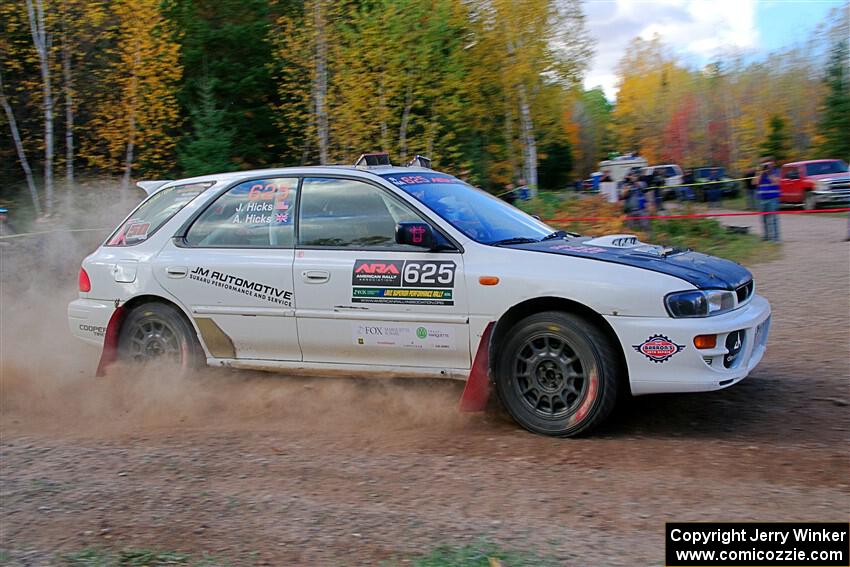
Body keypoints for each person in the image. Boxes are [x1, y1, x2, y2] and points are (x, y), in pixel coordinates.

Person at [756, 157, 781, 241]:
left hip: (773, 197)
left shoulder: (776, 171)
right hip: (762, 198)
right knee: (764, 219)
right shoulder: (760, 172)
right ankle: (766, 236)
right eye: (765, 164)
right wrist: (760, 172)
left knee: (774, 219)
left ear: (772, 163)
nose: (767, 165)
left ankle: (776, 238)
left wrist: (769, 173)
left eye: (769, 163)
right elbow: (755, 182)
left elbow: (777, 182)